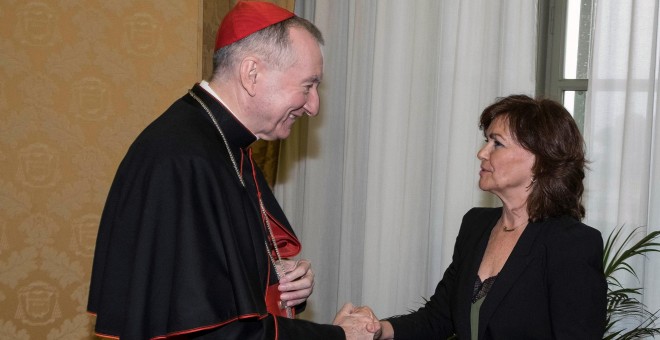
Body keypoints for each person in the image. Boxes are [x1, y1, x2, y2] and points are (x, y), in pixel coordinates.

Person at [87, 1, 377, 339]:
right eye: (307, 85)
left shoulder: (219, 143)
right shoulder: (185, 160)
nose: (314, 106)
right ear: (251, 74)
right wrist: (338, 336)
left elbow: (213, 285)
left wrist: (273, 277)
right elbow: (207, 332)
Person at [363, 94, 608, 339]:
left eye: (497, 143)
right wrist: (379, 330)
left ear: (539, 161)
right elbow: (439, 317)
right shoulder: (475, 224)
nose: (482, 153)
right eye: (486, 141)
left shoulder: (571, 243)